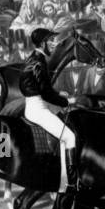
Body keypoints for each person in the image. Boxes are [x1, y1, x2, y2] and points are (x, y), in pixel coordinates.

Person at [20, 28, 79, 190]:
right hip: (38, 108)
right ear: (43, 43)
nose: (54, 44)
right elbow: (45, 93)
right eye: (51, 41)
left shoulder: (34, 58)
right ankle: (70, 182)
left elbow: (41, 87)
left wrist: (59, 93)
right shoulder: (39, 62)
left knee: (64, 118)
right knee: (70, 137)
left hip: (37, 102)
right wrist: (67, 101)